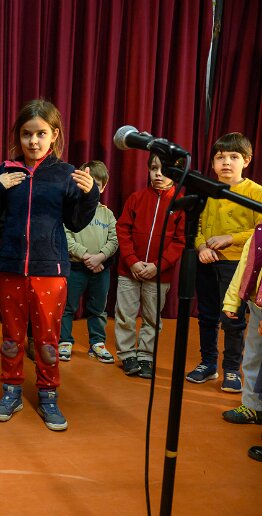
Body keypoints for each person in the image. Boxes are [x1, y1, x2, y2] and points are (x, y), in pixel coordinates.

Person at [0, 99, 98, 431]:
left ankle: (48, 395)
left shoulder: (65, 174)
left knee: (47, 339)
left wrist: (90, 197)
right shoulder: (6, 170)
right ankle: (11, 391)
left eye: (41, 134)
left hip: (50, 270)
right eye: (27, 134)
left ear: (54, 134)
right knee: (12, 337)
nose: (33, 141)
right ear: (19, 135)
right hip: (11, 267)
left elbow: (75, 223)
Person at [187, 133, 260, 392]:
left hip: (237, 265)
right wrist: (201, 246)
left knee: (232, 318)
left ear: (247, 161)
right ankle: (208, 363)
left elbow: (259, 230)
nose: (226, 162)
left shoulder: (255, 192)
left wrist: (231, 237)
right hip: (207, 261)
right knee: (206, 315)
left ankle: (231, 369)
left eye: (233, 157)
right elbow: (194, 225)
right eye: (220, 158)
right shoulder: (205, 190)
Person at [113, 154, 185, 378]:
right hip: (129, 271)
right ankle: (126, 354)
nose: (158, 174)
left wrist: (157, 266)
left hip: (158, 274)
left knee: (152, 317)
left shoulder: (180, 204)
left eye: (164, 169)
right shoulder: (137, 198)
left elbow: (179, 241)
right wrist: (132, 261)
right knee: (125, 314)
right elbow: (122, 230)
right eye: (154, 168)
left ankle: (146, 356)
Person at [58, 160, 118, 363]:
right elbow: (66, 237)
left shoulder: (107, 214)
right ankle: (64, 340)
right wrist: (85, 256)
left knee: (98, 308)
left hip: (100, 269)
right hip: (75, 267)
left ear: (103, 187)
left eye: (97, 184)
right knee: (67, 306)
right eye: (87, 182)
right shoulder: (71, 210)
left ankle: (97, 343)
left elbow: (114, 239)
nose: (92, 187)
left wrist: (100, 257)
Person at [220, 223, 262, 424]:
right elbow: (245, 264)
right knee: (253, 357)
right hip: (258, 306)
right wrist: (232, 300)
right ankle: (253, 407)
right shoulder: (260, 231)